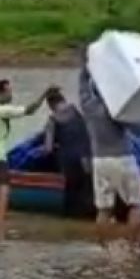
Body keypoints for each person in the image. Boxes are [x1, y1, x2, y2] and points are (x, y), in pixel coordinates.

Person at [78, 52, 140, 243]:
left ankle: (103, 247)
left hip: (99, 161)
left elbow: (82, 84)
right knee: (136, 205)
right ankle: (130, 247)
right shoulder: (118, 111)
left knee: (104, 209)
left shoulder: (88, 106)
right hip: (121, 158)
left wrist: (87, 63)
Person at [0, 79, 55, 223]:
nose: (11, 95)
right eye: (8, 91)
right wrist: (45, 94)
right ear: (1, 93)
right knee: (3, 191)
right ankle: (0, 224)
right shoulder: (2, 110)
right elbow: (30, 110)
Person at [43, 88, 94, 218]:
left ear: (50, 105)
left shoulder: (52, 120)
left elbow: (48, 149)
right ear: (63, 99)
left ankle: (69, 229)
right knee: (88, 193)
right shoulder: (77, 112)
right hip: (87, 161)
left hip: (69, 162)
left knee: (71, 201)